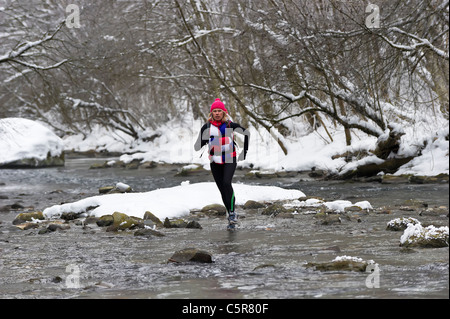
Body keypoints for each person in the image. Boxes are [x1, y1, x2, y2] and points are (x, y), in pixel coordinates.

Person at [194, 98, 250, 230]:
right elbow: (197, 146)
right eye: (214, 111)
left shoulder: (230, 125)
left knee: (226, 183)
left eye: (219, 111)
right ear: (211, 113)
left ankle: (232, 213)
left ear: (224, 112)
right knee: (222, 190)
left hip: (230, 159)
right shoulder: (207, 127)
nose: (217, 113)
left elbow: (246, 133)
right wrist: (205, 139)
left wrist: (244, 152)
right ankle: (230, 217)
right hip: (215, 161)